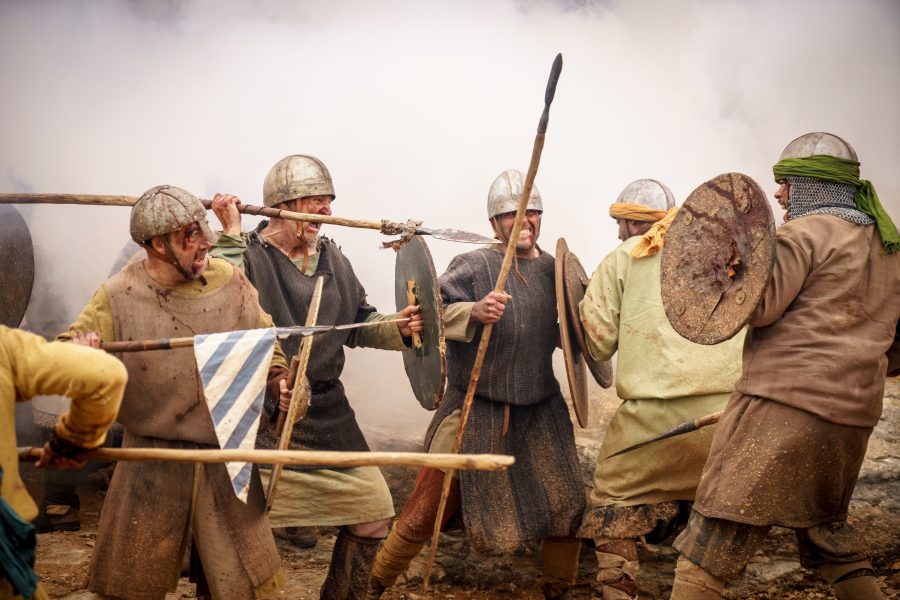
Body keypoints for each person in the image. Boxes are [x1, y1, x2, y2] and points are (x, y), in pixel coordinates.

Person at [669, 132, 900, 600]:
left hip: (777, 411)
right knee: (829, 535)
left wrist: (729, 264)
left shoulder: (803, 234)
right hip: (852, 421)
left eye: (787, 183)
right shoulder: (889, 247)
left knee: (713, 538)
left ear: (812, 185)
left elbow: (760, 307)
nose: (778, 194)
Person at [61, 185, 290, 600]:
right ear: (156, 244)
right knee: (129, 588)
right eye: (189, 235)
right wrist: (80, 354)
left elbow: (266, 340)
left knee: (242, 589)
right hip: (151, 462)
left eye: (201, 229)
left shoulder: (230, 280)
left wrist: (280, 381)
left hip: (225, 459)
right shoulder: (118, 295)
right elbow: (64, 353)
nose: (205, 243)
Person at [210, 154, 422, 600]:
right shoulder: (244, 253)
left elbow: (359, 323)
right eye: (315, 201)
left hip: (327, 411)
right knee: (233, 530)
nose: (326, 212)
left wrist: (397, 327)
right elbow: (219, 301)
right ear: (283, 204)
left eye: (329, 202)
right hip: (259, 413)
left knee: (374, 515)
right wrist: (227, 234)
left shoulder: (334, 260)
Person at [368, 169, 585, 599]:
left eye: (530, 212)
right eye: (510, 215)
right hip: (476, 405)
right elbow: (423, 314)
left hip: (539, 407)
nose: (523, 221)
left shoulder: (553, 270)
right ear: (494, 224)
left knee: (567, 502)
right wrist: (472, 311)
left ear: (540, 215)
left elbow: (573, 324)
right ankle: (373, 583)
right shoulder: (474, 264)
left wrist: (567, 334)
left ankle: (559, 589)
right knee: (426, 508)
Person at [576, 179, 745, 600]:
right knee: (717, 512)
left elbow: (598, 343)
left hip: (655, 421)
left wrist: (582, 308)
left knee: (612, 497)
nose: (617, 232)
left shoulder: (621, 258)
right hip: (730, 417)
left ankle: (620, 590)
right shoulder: (719, 253)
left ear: (631, 222)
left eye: (621, 222)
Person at [1, 325, 126, 600]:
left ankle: (60, 507)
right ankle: (60, 507)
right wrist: (70, 443)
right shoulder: (4, 347)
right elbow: (103, 372)